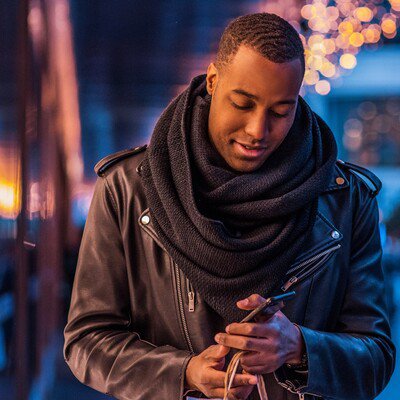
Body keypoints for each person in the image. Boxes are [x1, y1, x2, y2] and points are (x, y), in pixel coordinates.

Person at [63, 12, 395, 400]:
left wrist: (300, 347)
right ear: (213, 81)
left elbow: (377, 358)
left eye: (280, 112)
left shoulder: (347, 198)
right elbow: (86, 342)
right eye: (242, 103)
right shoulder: (126, 189)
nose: (258, 130)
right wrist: (183, 373)